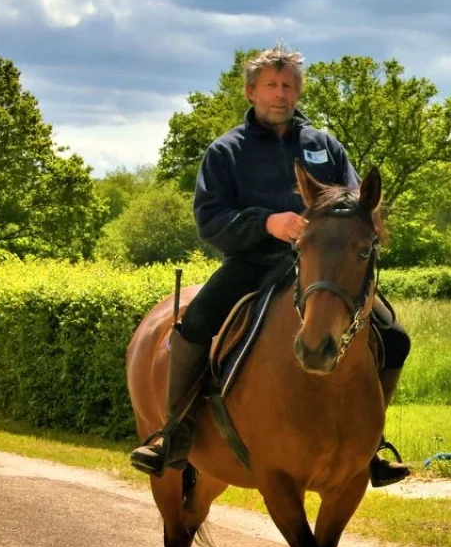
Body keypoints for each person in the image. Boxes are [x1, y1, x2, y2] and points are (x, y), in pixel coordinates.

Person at [128, 46, 412, 486]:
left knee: (393, 336)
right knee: (195, 323)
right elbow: (210, 219)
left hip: (322, 271)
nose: (280, 94)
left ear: (297, 93)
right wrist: (267, 223)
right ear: (250, 91)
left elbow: (357, 202)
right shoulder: (226, 152)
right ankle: (174, 434)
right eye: (270, 86)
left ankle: (369, 445)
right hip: (252, 264)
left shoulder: (324, 145)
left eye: (287, 86)